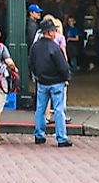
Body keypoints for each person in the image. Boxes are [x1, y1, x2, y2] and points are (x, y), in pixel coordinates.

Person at [31, 19, 72, 148]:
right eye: (54, 30)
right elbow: (63, 66)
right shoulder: (54, 47)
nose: (56, 33)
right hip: (56, 82)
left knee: (40, 109)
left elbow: (31, 63)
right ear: (49, 32)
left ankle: (39, 135)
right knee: (59, 110)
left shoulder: (35, 46)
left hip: (42, 82)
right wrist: (66, 77)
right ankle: (61, 138)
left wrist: (37, 75)